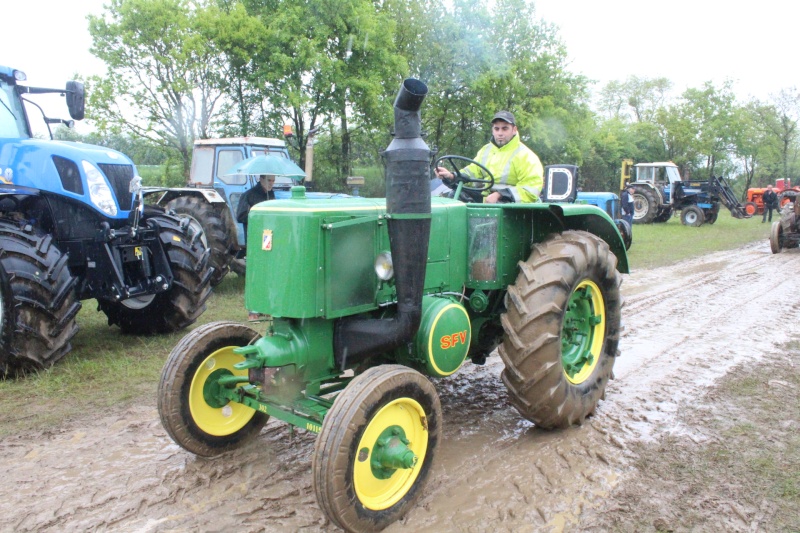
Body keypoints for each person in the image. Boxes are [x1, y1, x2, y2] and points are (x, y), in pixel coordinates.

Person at [435, 111, 543, 203]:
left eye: (505, 129)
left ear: (514, 130)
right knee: (456, 195)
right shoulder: (486, 150)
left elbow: (530, 190)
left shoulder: (526, 156)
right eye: (497, 129)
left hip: (510, 203)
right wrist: (452, 175)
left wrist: (500, 195)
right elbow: (473, 170)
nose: (500, 133)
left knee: (496, 208)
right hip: (487, 198)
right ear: (493, 130)